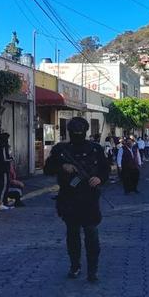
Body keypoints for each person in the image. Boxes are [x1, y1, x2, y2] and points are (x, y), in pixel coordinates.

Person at [44, 117, 109, 283]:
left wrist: (99, 178)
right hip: (69, 199)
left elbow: (105, 169)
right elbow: (47, 169)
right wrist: (62, 167)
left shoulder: (95, 149)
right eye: (74, 132)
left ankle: (92, 270)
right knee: (73, 235)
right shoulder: (61, 150)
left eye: (80, 131)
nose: (77, 134)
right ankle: (75, 266)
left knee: (91, 235)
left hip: (89, 199)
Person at [0, 133, 14, 210]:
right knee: (4, 186)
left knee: (6, 185)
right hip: (3, 169)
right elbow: (4, 159)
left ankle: (5, 202)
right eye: (8, 138)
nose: (9, 140)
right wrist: (11, 159)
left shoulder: (0, 146)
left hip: (1, 168)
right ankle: (1, 203)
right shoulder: (3, 146)